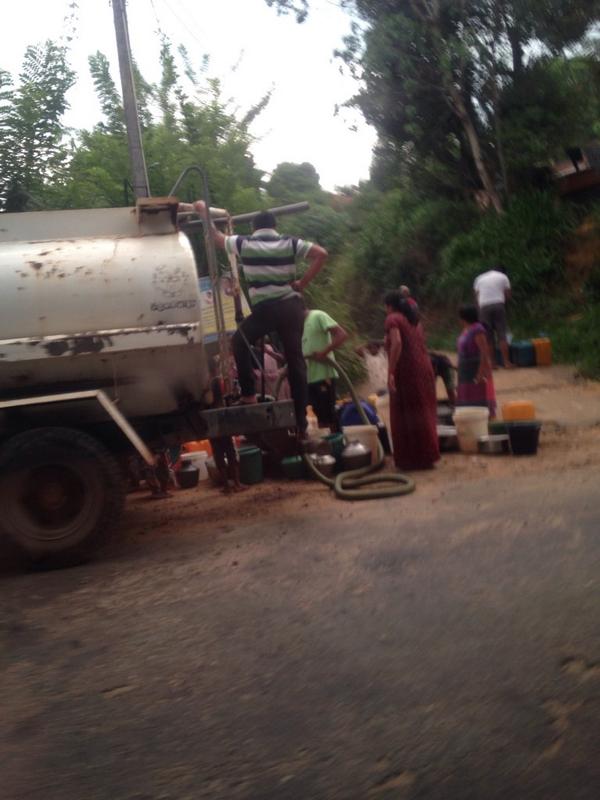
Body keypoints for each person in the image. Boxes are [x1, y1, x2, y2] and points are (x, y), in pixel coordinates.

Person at [183, 201, 328, 437]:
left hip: (266, 310)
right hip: (291, 307)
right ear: (275, 226)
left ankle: (249, 395)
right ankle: (301, 421)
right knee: (296, 362)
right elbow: (322, 254)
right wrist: (301, 283)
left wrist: (202, 212)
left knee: (239, 342)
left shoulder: (245, 242)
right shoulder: (290, 242)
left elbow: (216, 237)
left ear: (254, 227)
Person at [384, 290, 440, 470]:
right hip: (424, 368)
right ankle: (427, 455)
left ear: (390, 306)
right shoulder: (415, 320)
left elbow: (397, 343)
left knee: (405, 414)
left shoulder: (393, 319)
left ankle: (410, 459)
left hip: (407, 372)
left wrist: (391, 371)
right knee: (423, 411)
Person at [301, 305, 349, 430]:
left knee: (328, 416)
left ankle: (336, 443)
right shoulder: (298, 325)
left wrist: (324, 352)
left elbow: (342, 335)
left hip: (324, 375)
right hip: (309, 377)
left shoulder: (318, 315)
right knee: (319, 417)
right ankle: (327, 444)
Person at [207, 357, 246, 493]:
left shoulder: (204, 384)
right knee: (229, 450)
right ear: (215, 367)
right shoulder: (218, 381)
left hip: (211, 420)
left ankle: (226, 486)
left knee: (218, 453)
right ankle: (236, 482)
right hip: (222, 418)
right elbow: (225, 397)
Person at [456, 305, 496, 417]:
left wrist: (480, 372)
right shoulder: (466, 329)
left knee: (478, 396)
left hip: (475, 368)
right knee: (467, 397)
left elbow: (484, 352)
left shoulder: (478, 329)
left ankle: (482, 419)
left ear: (464, 318)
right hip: (465, 370)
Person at [473, 266, 514, 368]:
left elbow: (477, 296)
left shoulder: (479, 278)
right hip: (498, 305)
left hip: (483, 307)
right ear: (503, 272)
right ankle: (506, 362)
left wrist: (480, 311)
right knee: (502, 334)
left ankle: (493, 364)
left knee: (488, 336)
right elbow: (508, 295)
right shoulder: (503, 277)